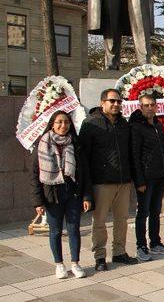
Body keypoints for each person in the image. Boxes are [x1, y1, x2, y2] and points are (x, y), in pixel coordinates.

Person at [79, 89, 138, 271]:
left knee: (122, 219)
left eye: (119, 102)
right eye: (112, 101)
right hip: (101, 182)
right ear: (102, 102)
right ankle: (100, 256)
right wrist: (87, 189)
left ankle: (119, 252)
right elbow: (83, 157)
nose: (116, 104)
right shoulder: (91, 124)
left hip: (123, 181)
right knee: (100, 221)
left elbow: (130, 152)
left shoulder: (123, 123)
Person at [31, 111, 91, 279]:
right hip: (52, 194)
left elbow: (84, 172)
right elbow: (35, 176)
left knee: (74, 229)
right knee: (55, 231)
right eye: (59, 122)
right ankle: (59, 264)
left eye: (66, 122)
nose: (63, 125)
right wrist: (38, 202)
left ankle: (75, 263)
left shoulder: (76, 143)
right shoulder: (43, 144)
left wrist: (87, 196)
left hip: (73, 192)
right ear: (52, 124)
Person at [130, 95, 164, 261]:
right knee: (143, 213)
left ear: (156, 107)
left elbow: (163, 151)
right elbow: (135, 155)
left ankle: (155, 243)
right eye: (146, 105)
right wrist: (139, 180)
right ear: (140, 107)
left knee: (155, 212)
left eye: (152, 105)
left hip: (159, 176)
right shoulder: (136, 127)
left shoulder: (157, 125)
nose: (150, 108)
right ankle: (141, 246)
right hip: (146, 178)